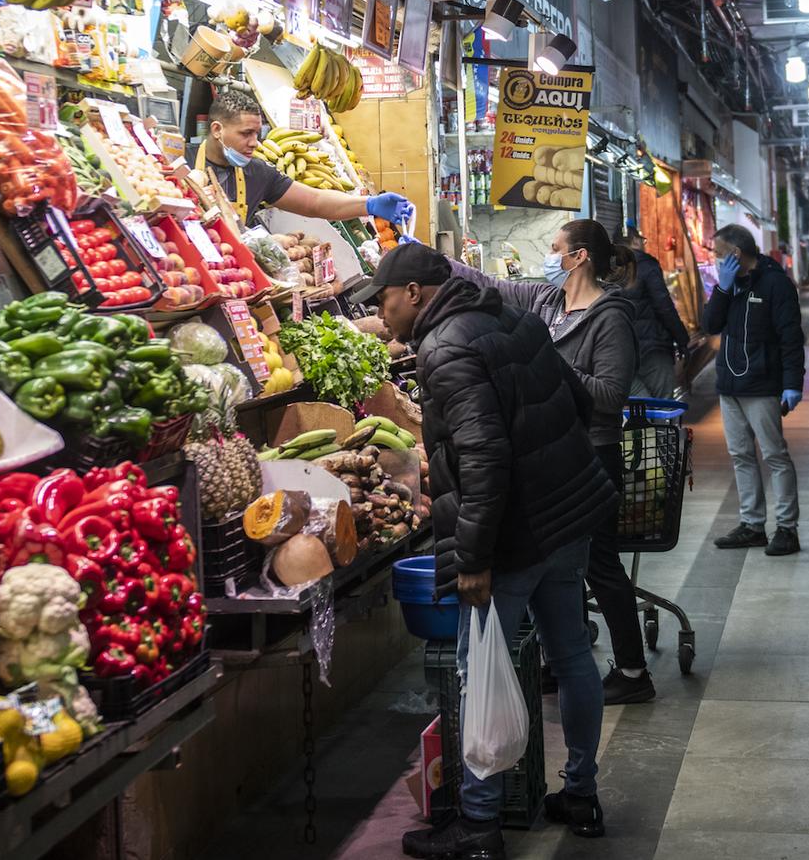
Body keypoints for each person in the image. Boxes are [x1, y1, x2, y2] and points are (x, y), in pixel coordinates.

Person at [363, 244, 618, 855]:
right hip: (567, 515)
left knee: (480, 667)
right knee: (573, 655)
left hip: (514, 534)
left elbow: (483, 457)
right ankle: (580, 793)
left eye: (384, 298)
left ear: (416, 294)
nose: (381, 311)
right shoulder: (515, 317)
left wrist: (474, 557)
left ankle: (478, 825)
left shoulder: (443, 348)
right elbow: (579, 404)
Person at [451, 222, 652, 706]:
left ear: (579, 257)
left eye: (556, 249)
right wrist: (423, 258)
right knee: (556, 565)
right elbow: (492, 286)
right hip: (548, 455)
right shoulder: (546, 300)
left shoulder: (611, 317)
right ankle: (560, 657)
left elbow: (609, 396)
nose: (550, 256)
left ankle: (633, 669)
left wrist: (547, 362)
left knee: (599, 564)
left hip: (592, 454)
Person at [702, 225, 805, 555]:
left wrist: (792, 384)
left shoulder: (776, 285)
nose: (715, 259)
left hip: (762, 386)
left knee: (775, 455)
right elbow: (710, 325)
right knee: (740, 455)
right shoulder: (729, 285)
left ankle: (787, 528)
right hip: (729, 384)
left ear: (736, 253)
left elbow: (791, 338)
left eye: (718, 253)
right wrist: (722, 288)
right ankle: (752, 524)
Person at [196, 90, 413, 228]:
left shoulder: (258, 172)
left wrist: (369, 204)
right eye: (246, 134)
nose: (255, 143)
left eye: (257, 134)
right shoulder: (182, 164)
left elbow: (314, 202)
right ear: (217, 130)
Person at [621, 228, 692, 397]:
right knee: (661, 406)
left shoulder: (608, 265)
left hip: (622, 351)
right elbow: (664, 306)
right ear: (635, 241)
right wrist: (682, 339)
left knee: (637, 411)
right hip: (653, 349)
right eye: (642, 240)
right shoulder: (646, 264)